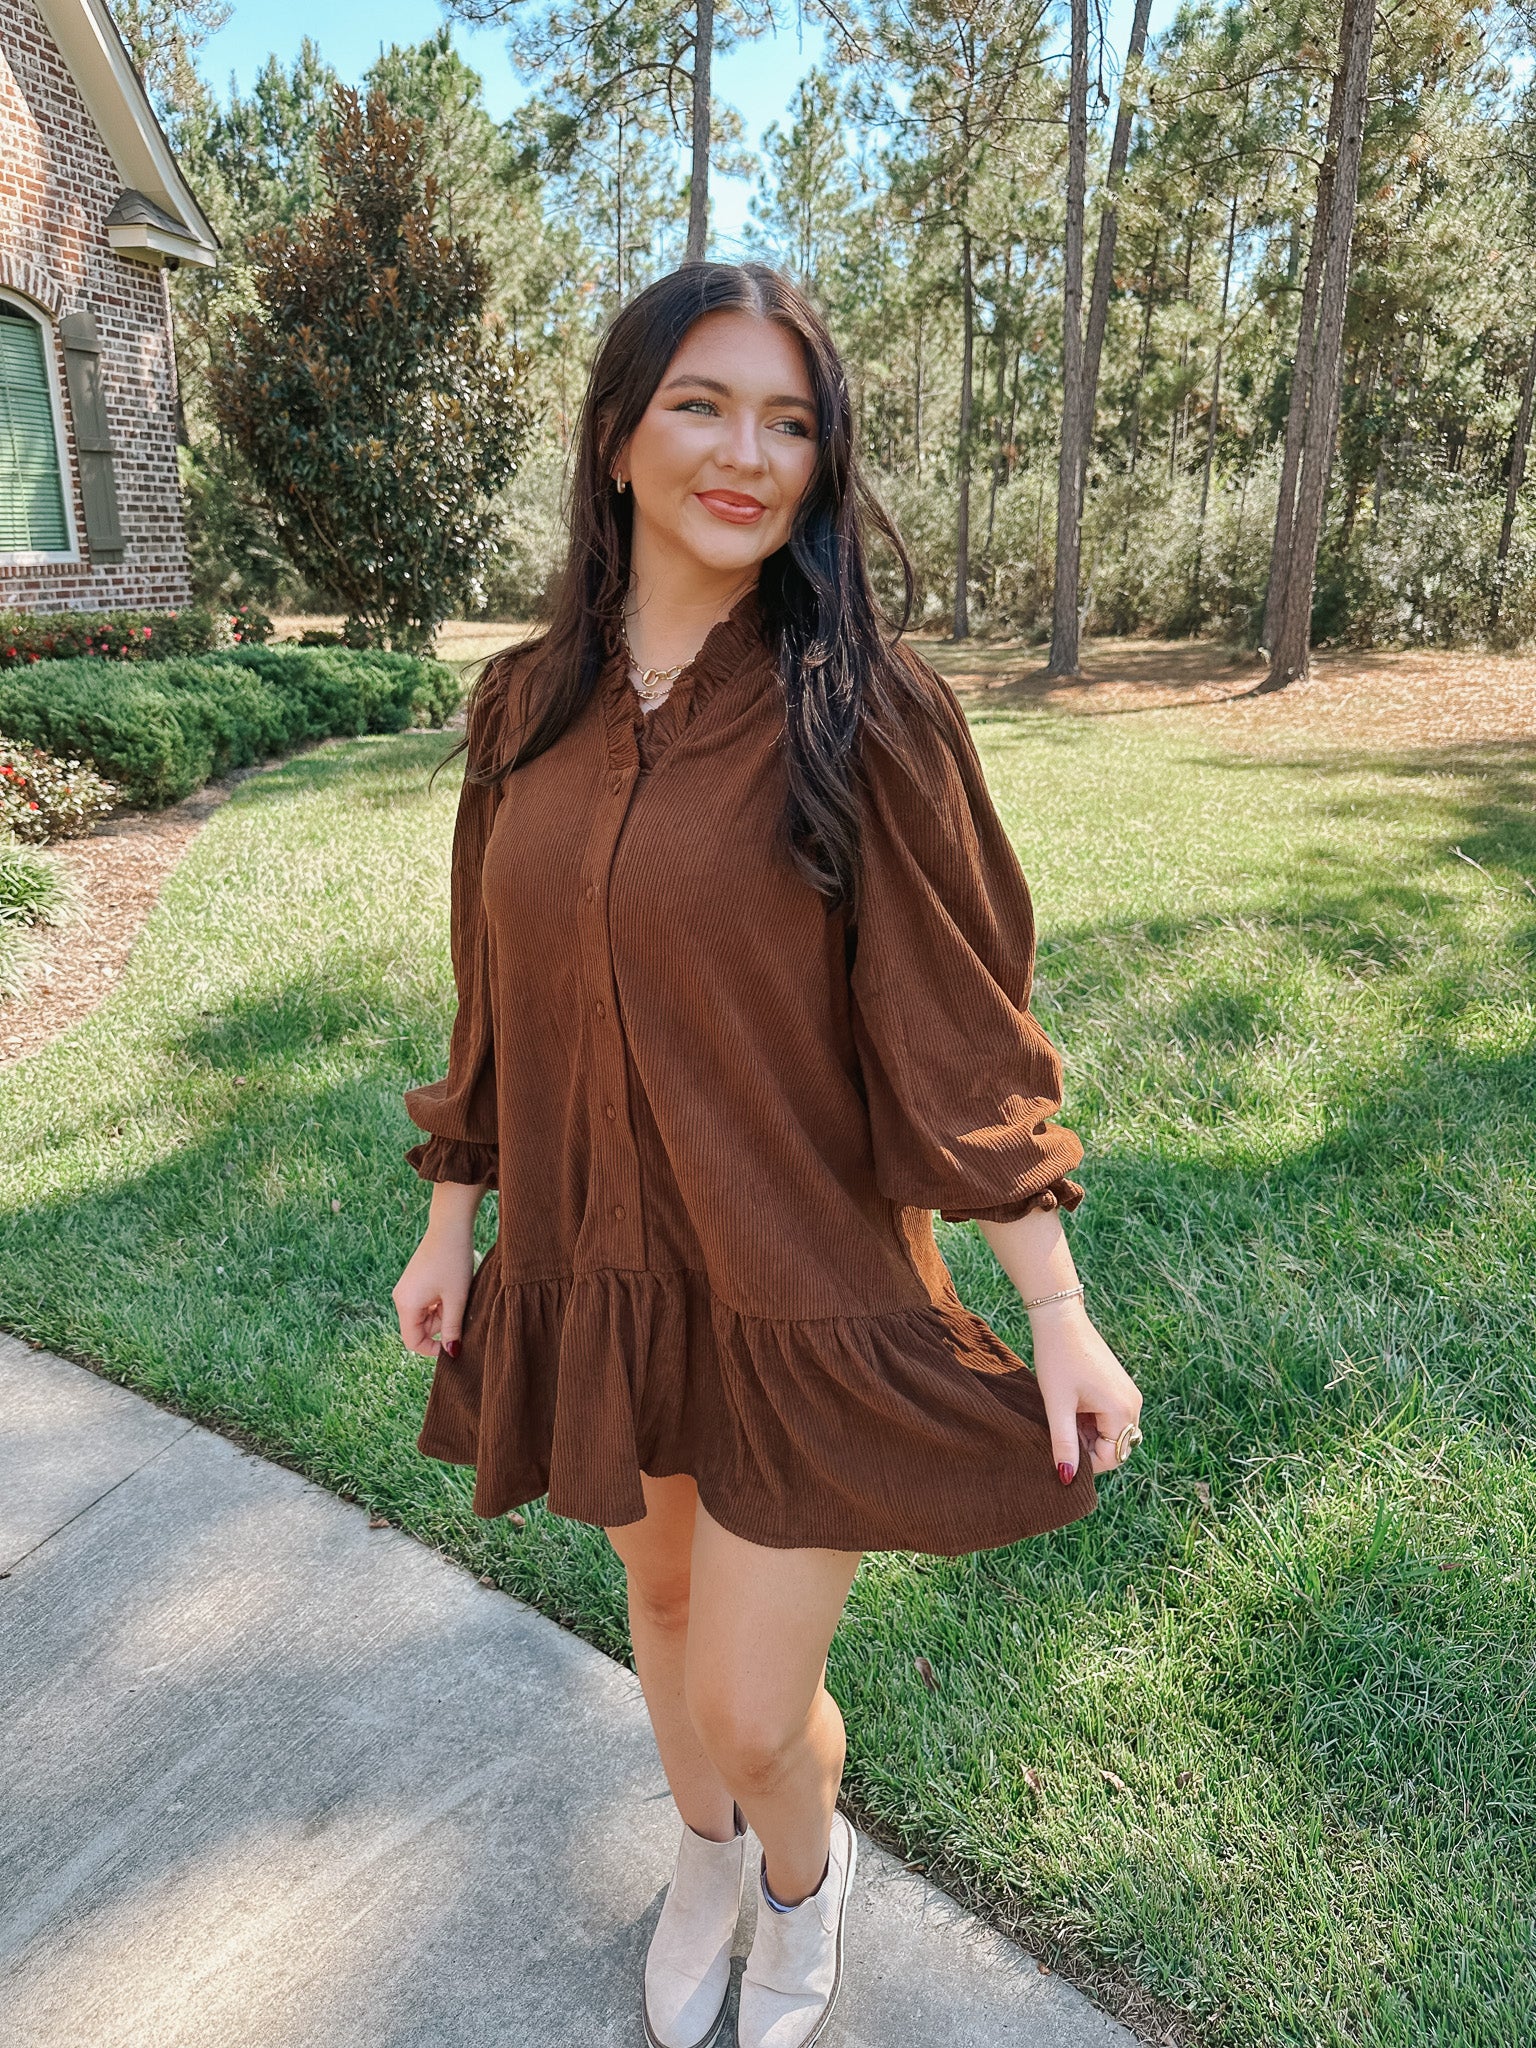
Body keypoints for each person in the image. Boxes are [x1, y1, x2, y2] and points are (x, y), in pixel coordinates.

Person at [392, 261, 1143, 2048]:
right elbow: (497, 988)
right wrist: (453, 1224)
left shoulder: (867, 712)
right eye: (705, 406)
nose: (749, 453)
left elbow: (958, 1026)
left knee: (747, 1696)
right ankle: (706, 1859)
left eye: (790, 421)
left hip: (798, 1270)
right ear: (617, 437)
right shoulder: (521, 712)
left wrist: (1054, 1304)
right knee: (654, 1589)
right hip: (600, 1256)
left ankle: (801, 1881)